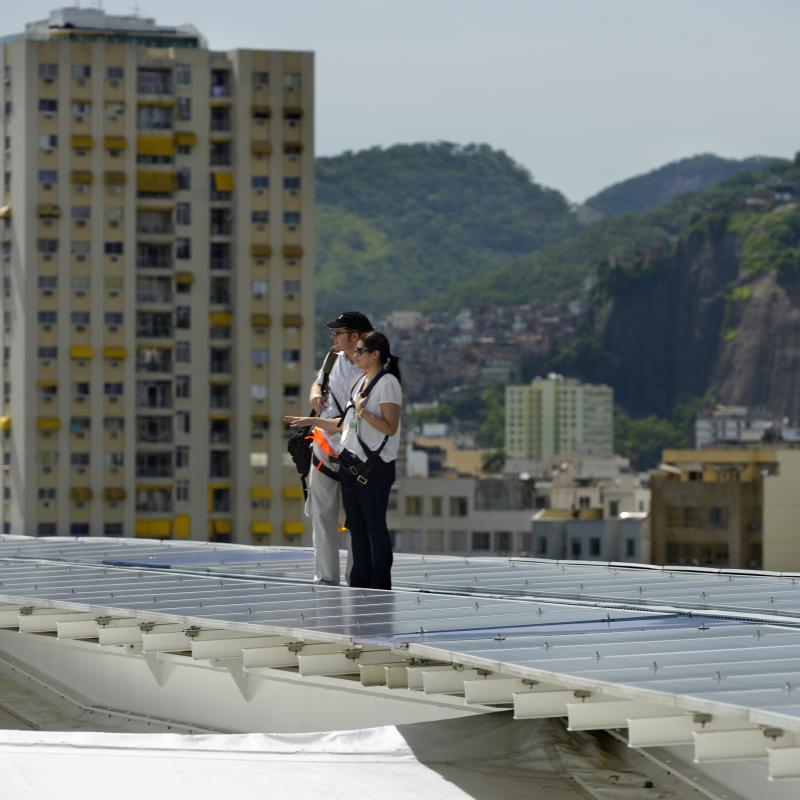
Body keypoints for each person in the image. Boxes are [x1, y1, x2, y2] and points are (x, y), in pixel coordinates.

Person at [286, 331, 402, 590]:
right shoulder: (359, 383)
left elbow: (390, 427)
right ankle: (359, 582)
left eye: (360, 351)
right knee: (357, 529)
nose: (355, 356)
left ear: (375, 355)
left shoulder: (388, 383)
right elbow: (345, 423)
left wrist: (362, 412)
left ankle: (379, 584)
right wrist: (311, 422)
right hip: (351, 464)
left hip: (374, 467)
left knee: (375, 529)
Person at [305, 311, 373, 585]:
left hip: (355, 452)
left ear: (355, 336)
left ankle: (355, 579)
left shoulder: (374, 367)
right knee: (322, 516)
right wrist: (315, 393)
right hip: (323, 448)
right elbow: (319, 380)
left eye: (338, 333)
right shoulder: (333, 357)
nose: (332, 337)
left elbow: (354, 417)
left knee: (357, 521)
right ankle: (325, 578)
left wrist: (314, 419)